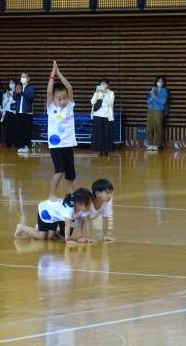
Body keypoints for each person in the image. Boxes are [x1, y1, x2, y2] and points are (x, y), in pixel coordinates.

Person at [14, 188, 93, 243]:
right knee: (42, 237)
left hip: (54, 218)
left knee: (49, 237)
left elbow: (85, 222)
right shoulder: (68, 209)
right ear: (81, 203)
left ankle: (38, 228)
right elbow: (67, 225)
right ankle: (22, 228)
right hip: (45, 212)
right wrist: (67, 240)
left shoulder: (82, 208)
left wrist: (87, 238)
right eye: (89, 204)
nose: (90, 206)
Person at [47, 61, 77, 199]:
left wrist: (59, 73)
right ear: (54, 99)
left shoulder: (70, 106)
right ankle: (52, 194)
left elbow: (69, 87)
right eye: (59, 98)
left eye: (64, 98)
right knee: (59, 171)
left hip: (68, 144)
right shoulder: (51, 108)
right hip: (55, 146)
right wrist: (53, 74)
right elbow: (49, 91)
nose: (62, 101)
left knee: (70, 173)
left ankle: (70, 194)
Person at [81, 178, 115, 242]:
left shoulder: (105, 202)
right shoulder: (88, 202)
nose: (110, 195)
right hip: (66, 220)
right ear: (97, 194)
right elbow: (86, 221)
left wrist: (104, 236)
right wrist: (88, 238)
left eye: (111, 193)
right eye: (108, 192)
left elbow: (105, 218)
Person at [90, 78, 114, 157]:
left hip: (106, 116)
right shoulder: (97, 92)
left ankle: (106, 151)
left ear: (108, 85)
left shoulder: (111, 93)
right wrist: (97, 93)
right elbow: (92, 102)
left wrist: (104, 94)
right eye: (102, 84)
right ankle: (100, 151)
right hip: (97, 115)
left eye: (105, 83)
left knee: (106, 134)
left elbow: (110, 102)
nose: (103, 85)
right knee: (98, 134)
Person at [14, 72, 36, 154]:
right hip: (18, 112)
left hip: (27, 113)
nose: (22, 79)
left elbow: (30, 97)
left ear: (28, 78)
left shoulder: (31, 88)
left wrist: (21, 92)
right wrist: (17, 92)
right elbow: (14, 98)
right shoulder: (18, 87)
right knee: (19, 130)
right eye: (21, 77)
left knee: (27, 130)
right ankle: (20, 146)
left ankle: (26, 146)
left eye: (24, 77)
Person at [146, 76, 169, 151]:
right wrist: (152, 94)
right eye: (159, 81)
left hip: (158, 110)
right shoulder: (153, 89)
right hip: (150, 110)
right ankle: (149, 143)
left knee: (157, 127)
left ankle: (156, 144)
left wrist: (154, 96)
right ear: (156, 82)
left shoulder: (164, 90)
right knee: (149, 127)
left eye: (162, 81)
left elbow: (163, 101)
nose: (160, 83)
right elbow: (148, 101)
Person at [2, 79, 20, 147]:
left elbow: (17, 101)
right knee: (9, 129)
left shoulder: (18, 92)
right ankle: (9, 143)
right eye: (10, 83)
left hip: (16, 113)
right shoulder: (7, 93)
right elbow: (3, 103)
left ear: (15, 84)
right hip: (9, 113)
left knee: (16, 128)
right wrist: (3, 114)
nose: (10, 84)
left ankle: (16, 143)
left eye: (12, 83)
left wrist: (11, 98)